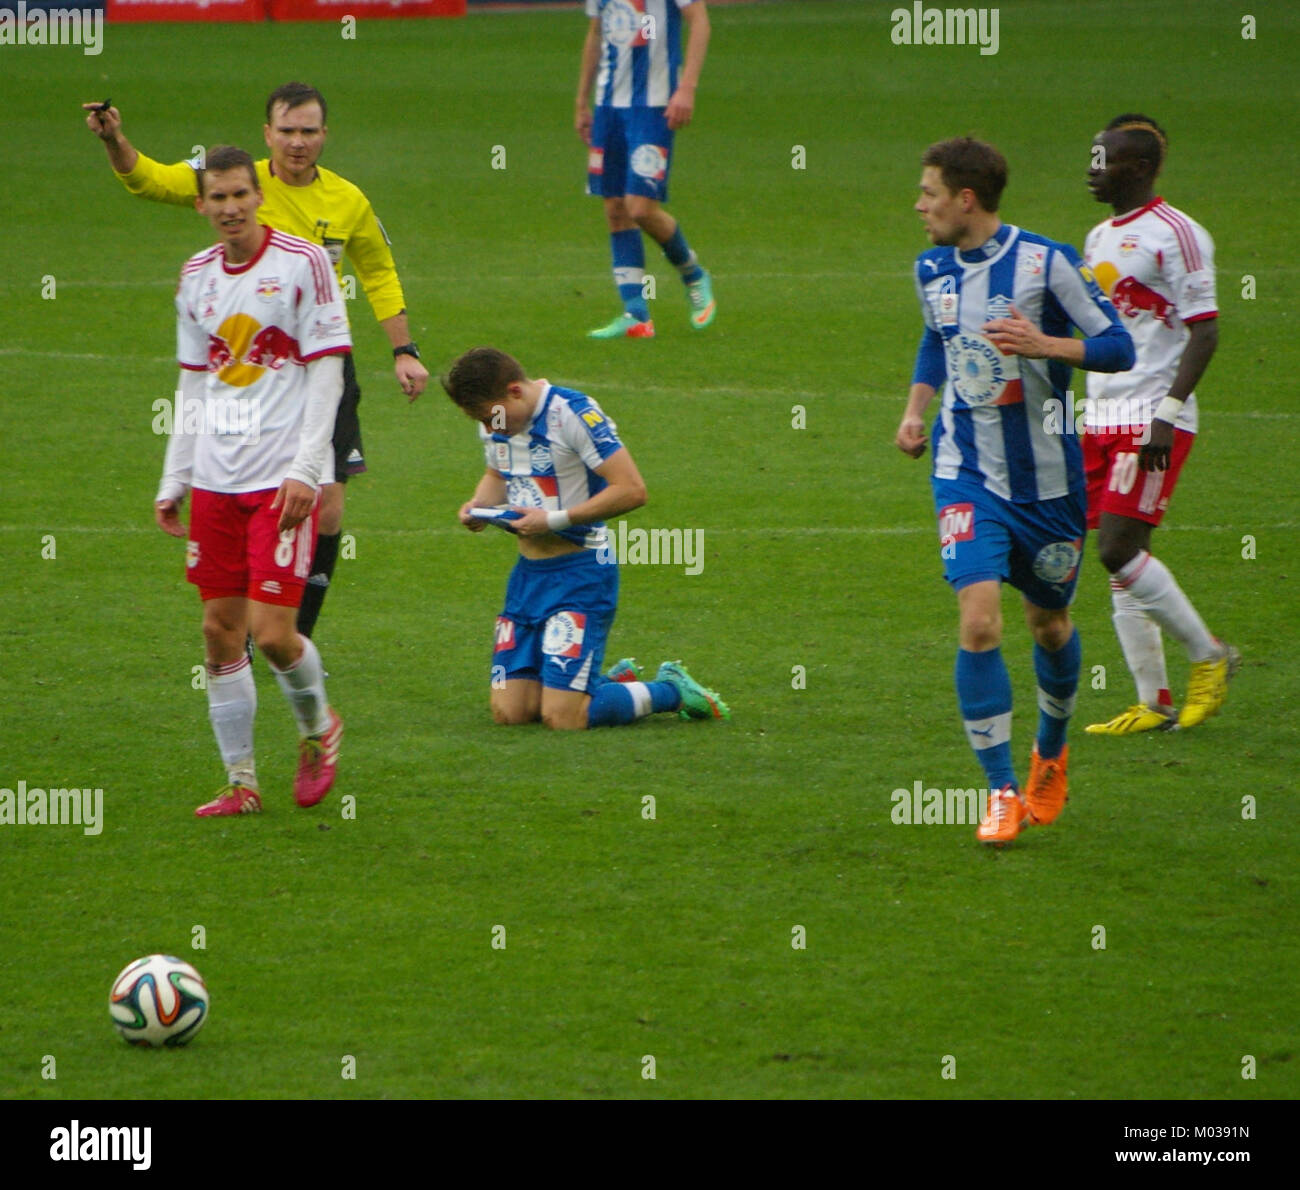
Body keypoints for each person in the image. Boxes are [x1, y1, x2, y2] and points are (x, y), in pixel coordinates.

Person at [86, 82, 428, 640]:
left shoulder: (348, 199)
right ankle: (245, 618)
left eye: (309, 131)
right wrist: (114, 140)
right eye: (287, 131)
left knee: (329, 508)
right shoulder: (238, 183)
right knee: (247, 493)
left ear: (324, 135)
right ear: (268, 134)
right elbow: (150, 179)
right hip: (248, 374)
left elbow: (379, 271)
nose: (298, 143)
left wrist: (403, 349)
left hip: (322, 366)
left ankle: (292, 632)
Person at [895, 137, 1135, 845]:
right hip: (964, 472)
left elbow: (1118, 346)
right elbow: (936, 337)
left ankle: (1050, 754)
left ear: (966, 199)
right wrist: (916, 407)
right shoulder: (932, 268)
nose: (919, 205)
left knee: (1048, 625)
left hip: (1049, 484)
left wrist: (1045, 346)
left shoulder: (1048, 262)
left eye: (929, 192)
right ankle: (999, 791)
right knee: (979, 622)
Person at [155, 146, 348, 817]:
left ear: (258, 194)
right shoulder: (196, 276)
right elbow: (193, 379)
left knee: (272, 634)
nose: (230, 208)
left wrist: (307, 469)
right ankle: (242, 782)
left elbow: (328, 371)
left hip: (279, 478)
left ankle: (318, 727)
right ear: (202, 203)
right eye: (217, 198)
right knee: (217, 630)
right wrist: (174, 475)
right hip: (214, 480)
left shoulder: (303, 264)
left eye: (241, 194)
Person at [443, 346, 729, 729]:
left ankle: (670, 690)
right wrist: (478, 506)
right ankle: (602, 683)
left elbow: (631, 489)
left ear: (515, 391)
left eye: (490, 417)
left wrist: (554, 520)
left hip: (582, 575)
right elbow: (497, 474)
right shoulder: (496, 419)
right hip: (527, 580)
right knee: (511, 714)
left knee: (563, 718)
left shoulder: (572, 413)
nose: (489, 428)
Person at [1081, 114, 1238, 735]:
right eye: (1092, 156)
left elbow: (1206, 331)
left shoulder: (1179, 234)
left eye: (1105, 159)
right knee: (1123, 561)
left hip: (1152, 417)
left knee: (1117, 547)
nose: (1092, 168)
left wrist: (1168, 415)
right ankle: (1153, 701)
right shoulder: (1097, 238)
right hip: (1100, 412)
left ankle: (1211, 657)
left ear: (1140, 168)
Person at [576, 0, 715, 338]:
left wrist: (687, 88)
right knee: (615, 208)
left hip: (653, 106)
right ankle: (636, 315)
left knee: (640, 207)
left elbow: (700, 22)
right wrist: (582, 101)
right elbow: (595, 33)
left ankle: (693, 273)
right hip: (609, 106)